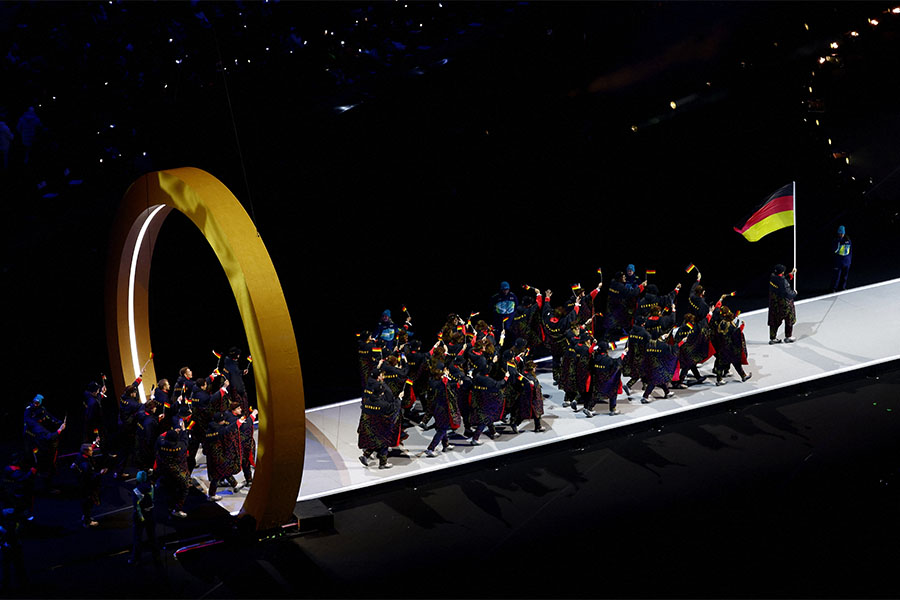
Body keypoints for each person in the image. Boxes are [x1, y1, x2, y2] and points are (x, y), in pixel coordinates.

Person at [358, 369, 402, 469]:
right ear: (380, 393)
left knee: (376, 441)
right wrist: (399, 398)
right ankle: (383, 463)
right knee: (383, 443)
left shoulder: (367, 402)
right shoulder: (383, 404)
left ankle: (365, 456)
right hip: (380, 425)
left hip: (369, 426)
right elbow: (393, 408)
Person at [23, 394, 65, 493]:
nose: (36, 404)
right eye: (35, 402)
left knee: (42, 462)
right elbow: (44, 434)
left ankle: (42, 482)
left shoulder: (41, 411)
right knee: (36, 460)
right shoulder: (29, 412)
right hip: (31, 439)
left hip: (39, 439)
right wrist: (59, 430)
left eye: (38, 403)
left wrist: (58, 422)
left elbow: (49, 416)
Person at [423, 363, 461, 457]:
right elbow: (449, 388)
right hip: (443, 409)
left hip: (435, 408)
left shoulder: (431, 381)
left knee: (441, 427)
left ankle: (445, 445)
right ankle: (430, 448)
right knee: (442, 429)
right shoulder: (442, 383)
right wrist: (448, 377)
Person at [204, 412, 242, 499]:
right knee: (216, 476)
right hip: (219, 456)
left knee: (225, 470)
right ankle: (212, 495)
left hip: (211, 456)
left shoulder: (209, 430)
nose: (224, 421)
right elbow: (229, 430)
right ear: (220, 421)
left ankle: (235, 484)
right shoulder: (220, 430)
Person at [711, 307, 752, 386]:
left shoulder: (721, 323)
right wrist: (741, 328)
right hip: (730, 348)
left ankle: (742, 376)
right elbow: (735, 335)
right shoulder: (730, 326)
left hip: (722, 347)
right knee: (731, 363)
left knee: (726, 363)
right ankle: (719, 380)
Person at [154, 428, 190, 518]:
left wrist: (170, 432)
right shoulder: (181, 446)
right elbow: (185, 439)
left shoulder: (161, 443)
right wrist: (182, 431)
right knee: (184, 490)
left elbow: (160, 437)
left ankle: (170, 506)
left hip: (164, 470)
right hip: (179, 473)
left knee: (170, 489)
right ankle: (177, 509)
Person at [129, 470, 160, 565]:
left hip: (140, 516)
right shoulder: (151, 487)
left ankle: (135, 558)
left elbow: (137, 506)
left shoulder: (136, 491)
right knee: (152, 536)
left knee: (138, 538)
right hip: (150, 513)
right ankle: (156, 555)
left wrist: (141, 518)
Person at [72, 443, 106, 528]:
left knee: (86, 503)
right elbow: (91, 477)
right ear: (86, 452)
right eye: (91, 450)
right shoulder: (86, 465)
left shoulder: (80, 456)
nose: (92, 451)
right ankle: (87, 521)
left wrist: (94, 443)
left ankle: (85, 516)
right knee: (88, 503)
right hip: (88, 487)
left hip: (81, 484)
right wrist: (100, 473)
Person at [587, 344, 623, 417]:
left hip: (597, 380)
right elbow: (617, 364)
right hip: (607, 381)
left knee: (596, 394)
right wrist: (623, 355)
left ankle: (589, 408)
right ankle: (612, 409)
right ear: (606, 350)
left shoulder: (594, 358)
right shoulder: (608, 360)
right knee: (613, 392)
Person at [768, 264, 798, 344]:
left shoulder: (772, 278)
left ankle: (772, 338)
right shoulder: (782, 281)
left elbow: (782, 280)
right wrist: (794, 293)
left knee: (774, 321)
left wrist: (791, 274)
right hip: (784, 304)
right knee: (789, 319)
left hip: (774, 304)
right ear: (782, 272)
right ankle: (788, 337)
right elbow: (787, 293)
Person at [223, 347, 251, 414]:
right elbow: (232, 376)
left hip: (238, 388)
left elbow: (235, 372)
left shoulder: (233, 363)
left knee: (244, 405)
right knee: (240, 406)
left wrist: (242, 372)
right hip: (236, 390)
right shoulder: (229, 363)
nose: (239, 356)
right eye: (238, 354)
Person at [832, 225, 851, 293]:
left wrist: (849, 261)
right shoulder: (836, 241)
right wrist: (839, 242)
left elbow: (850, 251)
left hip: (846, 261)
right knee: (836, 276)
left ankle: (842, 287)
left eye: (842, 233)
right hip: (839, 261)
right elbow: (835, 250)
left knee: (844, 276)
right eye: (840, 233)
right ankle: (834, 288)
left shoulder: (848, 240)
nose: (841, 234)